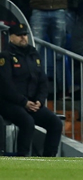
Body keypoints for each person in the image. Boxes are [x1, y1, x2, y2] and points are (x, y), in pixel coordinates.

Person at [0, 23, 63, 157]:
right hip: (11, 103)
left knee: (55, 123)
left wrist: (39, 101)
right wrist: (24, 102)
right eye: (19, 35)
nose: (23, 38)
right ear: (11, 37)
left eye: (25, 35)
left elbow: (43, 81)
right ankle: (23, 157)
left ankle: (49, 159)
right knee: (28, 122)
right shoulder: (5, 56)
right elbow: (5, 85)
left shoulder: (33, 54)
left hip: (32, 104)